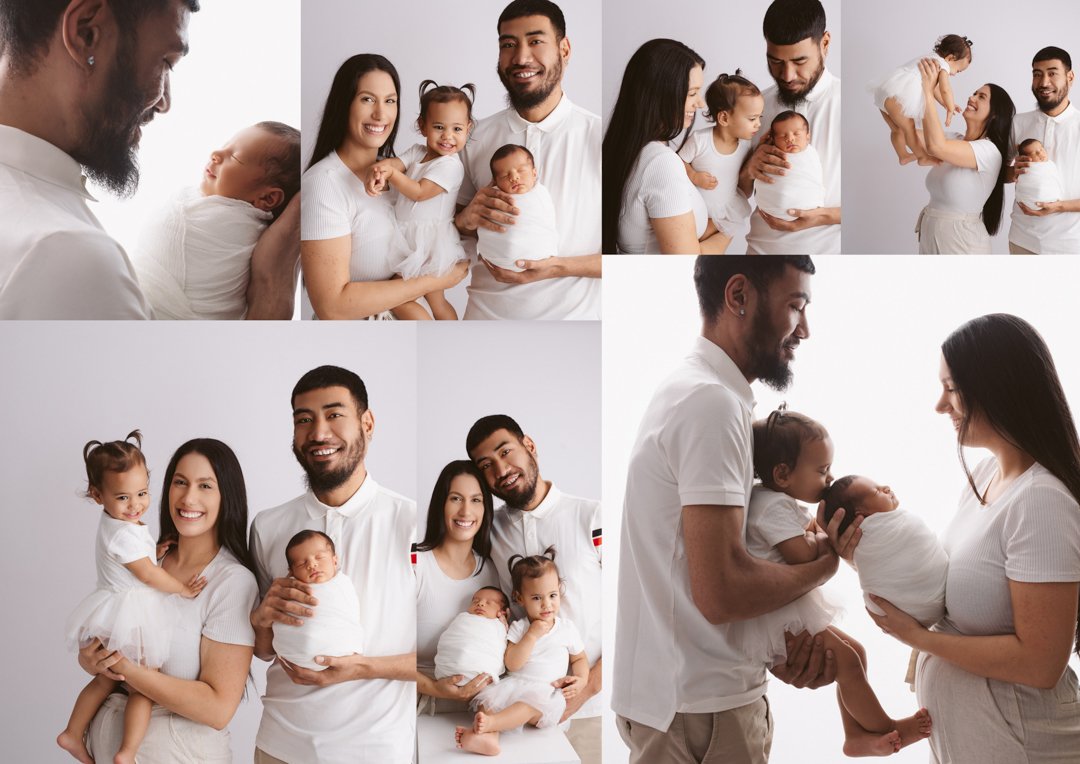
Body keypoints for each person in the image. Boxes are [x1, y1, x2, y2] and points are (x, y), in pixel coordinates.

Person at [613, 257, 857, 764]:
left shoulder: (692, 390)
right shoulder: (711, 403)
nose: (805, 329)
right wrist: (826, 564)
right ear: (739, 296)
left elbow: (701, 569)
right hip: (701, 712)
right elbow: (722, 591)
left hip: (680, 702)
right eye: (796, 306)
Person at [853, 313, 1080, 761]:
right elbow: (948, 586)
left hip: (1024, 742)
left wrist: (918, 639)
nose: (940, 405)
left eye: (952, 388)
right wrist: (862, 551)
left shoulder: (1042, 502)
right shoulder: (985, 476)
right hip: (981, 736)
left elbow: (1040, 664)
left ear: (999, 386)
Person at [0, 0, 299, 319]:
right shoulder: (68, 256)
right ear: (86, 32)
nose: (164, 102)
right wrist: (273, 286)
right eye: (166, 62)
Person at [248, 365, 416, 763]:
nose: (319, 433)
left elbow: (435, 656)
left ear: (367, 423)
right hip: (278, 746)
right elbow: (264, 652)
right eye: (304, 420)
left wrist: (363, 668)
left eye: (334, 414)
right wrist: (260, 622)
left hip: (377, 750)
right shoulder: (268, 525)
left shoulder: (412, 521)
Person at [740, 411, 932, 756]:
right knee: (846, 662)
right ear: (782, 473)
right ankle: (887, 728)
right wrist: (825, 542)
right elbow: (800, 555)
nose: (828, 480)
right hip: (774, 615)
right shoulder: (772, 508)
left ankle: (854, 736)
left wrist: (814, 531)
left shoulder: (776, 501)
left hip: (784, 606)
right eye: (821, 470)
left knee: (855, 653)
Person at [76, 438, 259, 763]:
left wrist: (125, 669)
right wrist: (93, 660)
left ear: (226, 496)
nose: (189, 497)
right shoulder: (147, 562)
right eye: (180, 482)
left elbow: (218, 709)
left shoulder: (231, 582)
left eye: (205, 486)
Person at [59, 432, 207, 764]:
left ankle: (72, 732)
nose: (136, 505)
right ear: (97, 496)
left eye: (142, 493)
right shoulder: (124, 531)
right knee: (145, 682)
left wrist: (151, 551)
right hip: (129, 609)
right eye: (123, 497)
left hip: (115, 607)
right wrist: (182, 588)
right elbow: (147, 575)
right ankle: (127, 752)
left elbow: (130, 562)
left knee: (107, 678)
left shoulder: (119, 525)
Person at [466, 415, 602, 764]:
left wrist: (587, 690)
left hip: (590, 710)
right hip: (516, 710)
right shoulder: (488, 529)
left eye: (506, 452)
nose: (501, 469)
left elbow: (636, 613)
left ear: (530, 446)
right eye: (486, 465)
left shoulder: (591, 516)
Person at [454, 0, 600, 320]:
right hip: (482, 322)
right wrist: (464, 221)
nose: (521, 57)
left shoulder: (601, 137)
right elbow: (444, 234)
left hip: (577, 327)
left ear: (564, 49)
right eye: (509, 44)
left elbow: (632, 252)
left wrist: (558, 267)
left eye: (535, 41)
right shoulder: (470, 137)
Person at [300, 55, 467, 320]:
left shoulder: (400, 172)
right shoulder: (325, 182)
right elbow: (331, 308)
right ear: (344, 104)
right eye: (367, 99)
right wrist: (433, 281)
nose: (380, 114)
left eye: (390, 101)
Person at [132, 121, 301, 320]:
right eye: (225, 145)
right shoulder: (196, 202)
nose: (216, 154)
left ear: (267, 198)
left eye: (236, 157)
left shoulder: (237, 228)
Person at [456, 549, 588, 756]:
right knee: (486, 702)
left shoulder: (566, 628)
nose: (546, 604)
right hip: (514, 685)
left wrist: (581, 679)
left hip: (547, 693)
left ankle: (492, 724)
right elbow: (512, 664)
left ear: (559, 590)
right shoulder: (519, 628)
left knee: (527, 706)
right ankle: (487, 738)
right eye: (536, 598)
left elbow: (579, 657)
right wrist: (531, 636)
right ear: (519, 598)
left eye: (552, 595)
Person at [603, 39, 730, 254]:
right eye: (692, 93)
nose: (700, 103)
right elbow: (685, 262)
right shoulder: (661, 163)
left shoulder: (631, 151)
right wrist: (731, 227)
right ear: (661, 95)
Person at [367, 81, 474, 321]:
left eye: (457, 129)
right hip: (407, 236)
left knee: (397, 295)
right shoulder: (417, 151)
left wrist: (393, 175)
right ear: (422, 126)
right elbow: (399, 163)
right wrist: (385, 167)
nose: (447, 136)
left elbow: (418, 192)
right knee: (435, 300)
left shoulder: (450, 166)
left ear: (468, 128)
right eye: (439, 127)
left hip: (430, 242)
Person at [742, 0, 841, 255]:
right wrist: (748, 170)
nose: (787, 75)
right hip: (758, 255)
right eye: (775, 61)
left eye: (799, 61)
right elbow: (734, 195)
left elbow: (877, 197)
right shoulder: (755, 107)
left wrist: (824, 216)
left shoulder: (849, 104)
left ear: (825, 44)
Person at [414, 460, 501, 714]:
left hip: (477, 718)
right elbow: (380, 654)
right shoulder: (416, 565)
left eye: (476, 500)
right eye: (455, 498)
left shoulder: (492, 572)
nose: (465, 511)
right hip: (416, 712)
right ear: (441, 504)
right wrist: (433, 687)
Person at [913, 59, 1014, 254]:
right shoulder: (955, 140)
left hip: (960, 241)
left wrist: (927, 92)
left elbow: (935, 146)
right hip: (931, 232)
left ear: (994, 114)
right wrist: (921, 85)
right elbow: (907, 134)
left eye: (981, 96)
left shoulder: (988, 151)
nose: (972, 97)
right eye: (974, 92)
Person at [821, 475, 948, 627]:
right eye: (877, 491)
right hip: (923, 610)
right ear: (860, 514)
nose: (886, 487)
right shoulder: (870, 535)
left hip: (917, 616)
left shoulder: (895, 526)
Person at [678, 71, 763, 248]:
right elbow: (678, 162)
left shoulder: (745, 147)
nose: (758, 124)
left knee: (706, 247)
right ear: (724, 117)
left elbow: (743, 184)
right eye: (752, 119)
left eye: (759, 118)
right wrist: (694, 175)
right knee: (692, 240)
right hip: (696, 209)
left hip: (725, 212)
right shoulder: (700, 140)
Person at [1008, 47, 1080, 254]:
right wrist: (1014, 171)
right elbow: (999, 174)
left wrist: (1059, 207)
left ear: (1070, 77)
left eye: (1052, 73)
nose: (1044, 82)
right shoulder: (1018, 122)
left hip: (1070, 246)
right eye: (1037, 74)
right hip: (1021, 240)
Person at [869, 35, 972, 165]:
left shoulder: (930, 58)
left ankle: (903, 155)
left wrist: (945, 104)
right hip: (896, 96)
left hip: (885, 90)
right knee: (909, 128)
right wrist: (950, 108)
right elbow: (945, 89)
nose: (955, 74)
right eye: (958, 70)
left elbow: (934, 89)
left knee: (897, 129)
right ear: (950, 58)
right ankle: (922, 157)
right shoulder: (943, 65)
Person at [271, 530, 365, 672]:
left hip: (342, 653)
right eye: (302, 564)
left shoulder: (343, 584)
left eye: (319, 557)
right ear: (292, 572)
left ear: (335, 560)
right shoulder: (289, 590)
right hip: (294, 657)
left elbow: (351, 614)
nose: (312, 565)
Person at [477, 144, 559, 271]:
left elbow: (547, 222)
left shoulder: (541, 194)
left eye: (521, 171)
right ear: (496, 182)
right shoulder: (492, 197)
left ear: (534, 172)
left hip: (540, 257)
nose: (514, 178)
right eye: (504, 175)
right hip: (497, 260)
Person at [433, 586, 510, 690]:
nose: (480, 604)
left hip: (480, 673)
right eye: (475, 601)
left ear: (502, 612)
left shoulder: (499, 625)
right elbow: (449, 639)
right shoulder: (462, 618)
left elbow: (500, 647)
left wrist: (504, 628)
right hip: (447, 670)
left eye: (489, 603)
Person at [753, 111, 824, 222]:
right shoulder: (770, 154)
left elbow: (815, 177)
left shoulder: (811, 154)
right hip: (771, 209)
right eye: (782, 136)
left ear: (808, 136)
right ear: (774, 140)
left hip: (809, 208)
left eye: (796, 134)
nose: (790, 138)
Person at [1013, 138, 1064, 209]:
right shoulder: (1027, 167)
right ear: (1025, 158)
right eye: (1033, 153)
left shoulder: (1050, 164)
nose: (1040, 153)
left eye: (1041, 149)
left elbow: (1055, 179)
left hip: (1055, 203)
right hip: (1028, 202)